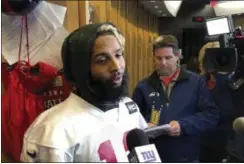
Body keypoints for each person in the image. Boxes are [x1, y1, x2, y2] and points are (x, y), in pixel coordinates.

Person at [20, 22, 147, 162]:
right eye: (102, 60)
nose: (117, 67)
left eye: (118, 55)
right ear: (79, 69)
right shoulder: (53, 129)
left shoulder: (128, 106)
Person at [132, 35, 219, 162]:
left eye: (168, 58)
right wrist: (145, 125)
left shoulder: (196, 82)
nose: (163, 63)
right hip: (154, 156)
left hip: (186, 155)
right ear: (153, 58)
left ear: (178, 55)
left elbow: (211, 115)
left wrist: (183, 126)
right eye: (158, 58)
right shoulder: (143, 87)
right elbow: (132, 121)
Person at [198, 42, 235, 162]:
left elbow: (227, 113)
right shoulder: (196, 84)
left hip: (228, 146)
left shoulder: (236, 86)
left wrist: (222, 79)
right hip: (201, 146)